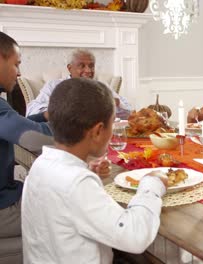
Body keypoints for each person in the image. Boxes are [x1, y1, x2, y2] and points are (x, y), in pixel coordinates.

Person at [21, 78, 168, 263]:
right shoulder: (77, 183)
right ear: (98, 131)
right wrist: (151, 184)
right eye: (113, 123)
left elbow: (65, 205)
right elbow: (135, 237)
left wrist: (88, 171)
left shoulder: (41, 165)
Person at [0, 31, 53, 264]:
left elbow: (18, 123)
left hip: (7, 193)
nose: (19, 73)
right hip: (3, 207)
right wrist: (79, 127)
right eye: (16, 64)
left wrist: (45, 116)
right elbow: (33, 138)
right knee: (70, 206)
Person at [26, 49, 132, 121]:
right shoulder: (54, 85)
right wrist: (63, 110)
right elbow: (32, 112)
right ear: (70, 68)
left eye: (91, 66)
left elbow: (129, 113)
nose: (88, 70)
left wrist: (116, 104)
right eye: (82, 66)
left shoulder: (102, 86)